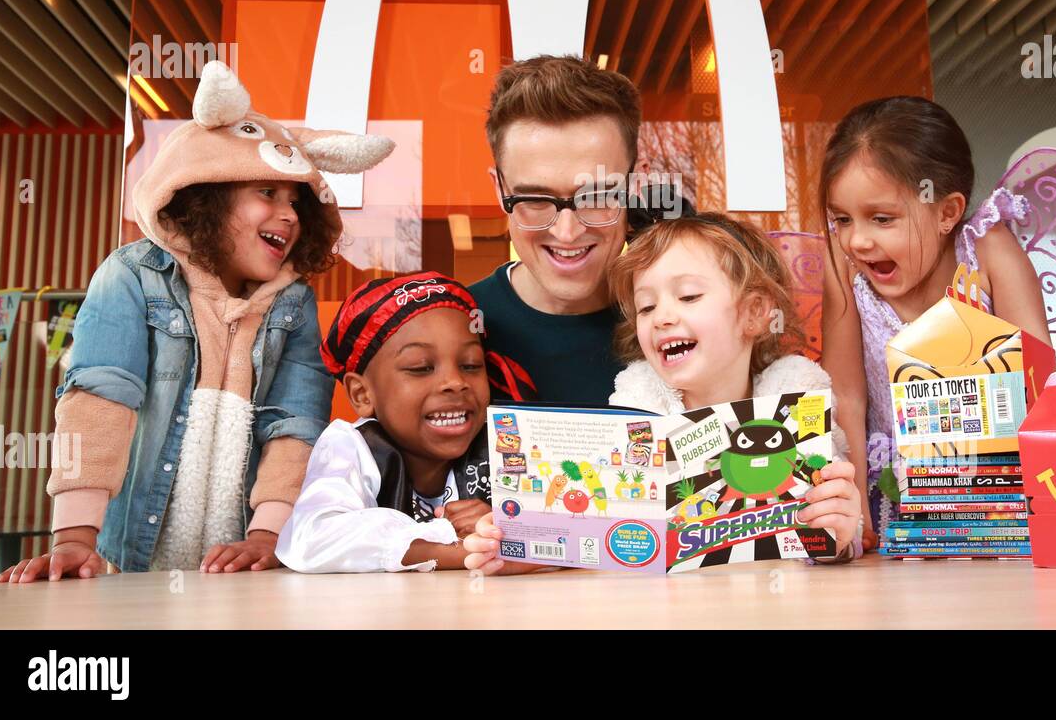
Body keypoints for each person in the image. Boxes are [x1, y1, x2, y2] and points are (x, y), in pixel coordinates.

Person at [0, 61, 394, 580]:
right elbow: (99, 400)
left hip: (237, 572)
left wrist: (268, 536)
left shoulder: (293, 305)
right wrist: (75, 538)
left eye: (296, 200)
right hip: (127, 562)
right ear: (207, 190)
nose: (291, 214)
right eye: (268, 193)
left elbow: (296, 424)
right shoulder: (133, 276)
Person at [462, 213, 863, 573]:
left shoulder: (797, 399)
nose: (663, 318)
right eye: (647, 307)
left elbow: (836, 535)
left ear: (755, 313)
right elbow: (591, 540)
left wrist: (838, 534)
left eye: (688, 296)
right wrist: (520, 547)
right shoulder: (637, 406)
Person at [817, 96, 1048, 548]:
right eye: (842, 219)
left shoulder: (987, 251)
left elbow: (1037, 377)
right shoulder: (842, 267)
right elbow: (845, 391)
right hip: (892, 501)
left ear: (947, 212)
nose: (857, 240)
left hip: (998, 497)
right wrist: (858, 505)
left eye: (882, 218)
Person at [276, 273, 534, 573]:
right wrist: (457, 547)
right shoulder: (352, 448)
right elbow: (311, 538)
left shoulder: (505, 443)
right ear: (362, 394)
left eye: (471, 365)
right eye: (421, 367)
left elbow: (571, 528)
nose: (455, 382)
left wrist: (500, 528)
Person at [470, 54, 656, 407]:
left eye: (597, 195)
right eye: (536, 199)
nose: (567, 232)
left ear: (638, 182)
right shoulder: (454, 330)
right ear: (501, 190)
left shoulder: (683, 329)